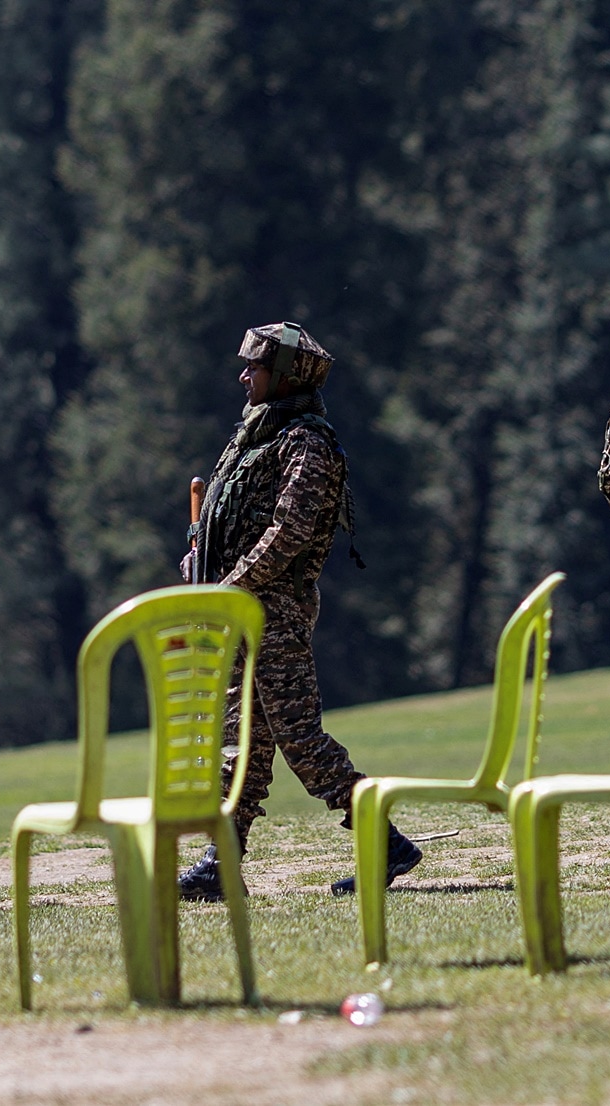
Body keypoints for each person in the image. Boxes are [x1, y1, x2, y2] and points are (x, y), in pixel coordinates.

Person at [176, 322, 422, 901]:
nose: (244, 377)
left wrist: (227, 586)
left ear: (285, 377)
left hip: (273, 616)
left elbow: (289, 533)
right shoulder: (255, 436)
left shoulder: (308, 444)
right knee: (242, 744)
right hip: (241, 612)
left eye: (255, 368)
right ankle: (220, 861)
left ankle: (385, 841)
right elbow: (227, 519)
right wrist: (201, 561)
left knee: (302, 743)